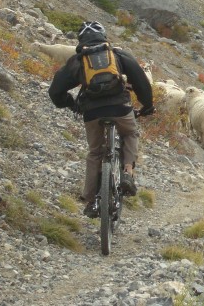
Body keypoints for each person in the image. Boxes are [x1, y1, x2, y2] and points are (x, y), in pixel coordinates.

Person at [48, 21, 155, 218]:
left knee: (95, 152)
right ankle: (128, 172)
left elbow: (55, 91)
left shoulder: (78, 61)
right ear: (104, 36)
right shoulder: (118, 55)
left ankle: (90, 201)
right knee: (130, 133)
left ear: (81, 40)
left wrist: (72, 104)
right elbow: (141, 82)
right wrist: (147, 105)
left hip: (92, 112)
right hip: (120, 107)